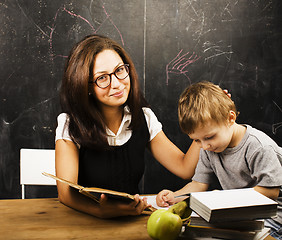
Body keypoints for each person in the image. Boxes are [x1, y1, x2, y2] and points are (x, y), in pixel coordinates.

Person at [55, 34, 201, 219]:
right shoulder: (70, 124)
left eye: (120, 70)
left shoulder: (143, 117)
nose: (116, 84)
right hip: (87, 222)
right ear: (86, 86)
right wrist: (101, 211)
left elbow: (184, 167)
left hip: (133, 220)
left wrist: (208, 122)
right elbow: (66, 193)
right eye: (102, 78)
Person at [156, 81, 282, 239]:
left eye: (209, 137)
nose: (204, 146)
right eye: (196, 140)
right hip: (240, 212)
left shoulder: (259, 147)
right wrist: (174, 196)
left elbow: (270, 192)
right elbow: (198, 185)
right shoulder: (209, 148)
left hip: (274, 217)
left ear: (230, 118)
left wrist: (223, 198)